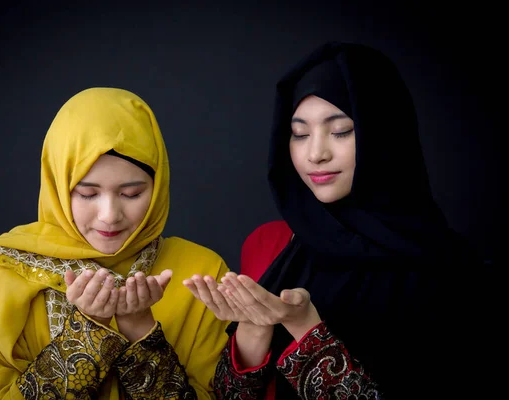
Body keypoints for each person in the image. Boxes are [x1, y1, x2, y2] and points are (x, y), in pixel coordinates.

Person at [184, 41, 497, 399]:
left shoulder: (448, 268)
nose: (316, 153)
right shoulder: (273, 245)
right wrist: (254, 330)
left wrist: (305, 327)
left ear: (383, 133)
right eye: (299, 134)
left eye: (341, 131)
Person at [0, 87, 231, 399]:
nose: (110, 216)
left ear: (159, 185)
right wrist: (87, 331)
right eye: (87, 193)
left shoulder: (201, 273)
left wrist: (141, 329)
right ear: (56, 186)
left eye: (132, 193)